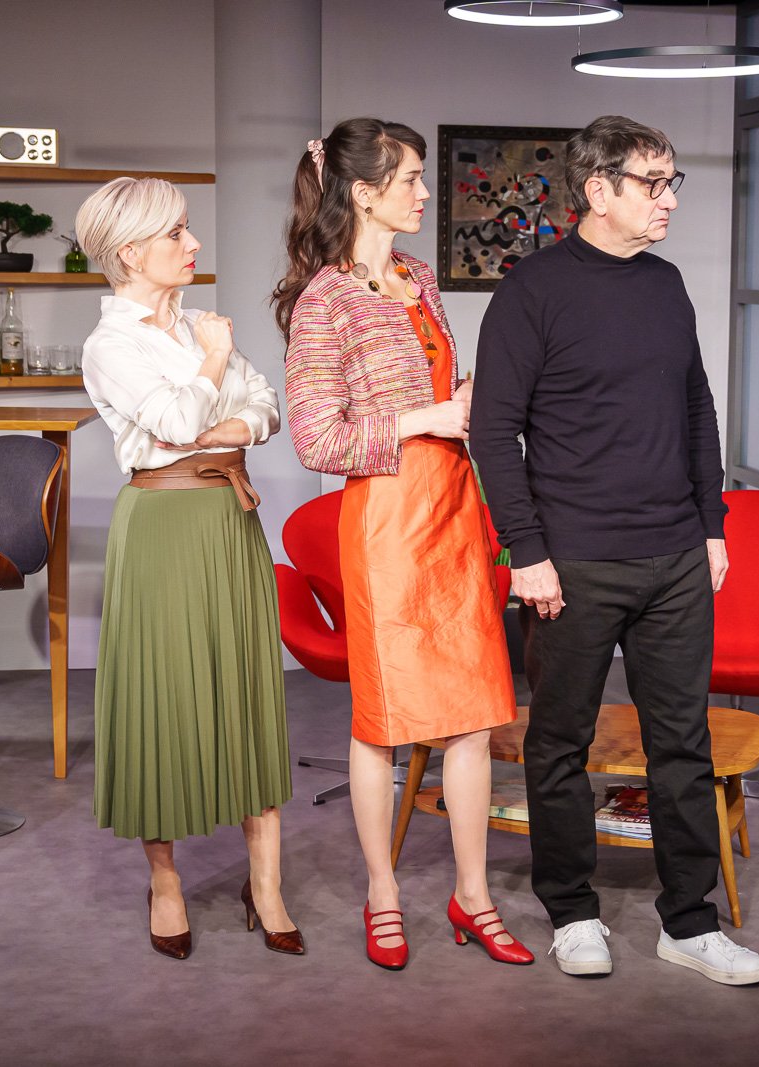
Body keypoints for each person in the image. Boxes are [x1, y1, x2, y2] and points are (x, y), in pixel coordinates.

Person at [470, 115, 759, 987]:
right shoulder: (532, 291)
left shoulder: (666, 285)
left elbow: (695, 409)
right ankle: (572, 911)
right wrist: (527, 551)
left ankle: (690, 923)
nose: (669, 198)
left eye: (674, 182)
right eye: (653, 182)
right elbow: (494, 430)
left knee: (682, 744)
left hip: (674, 555)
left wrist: (711, 523)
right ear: (598, 191)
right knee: (559, 740)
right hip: (573, 561)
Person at [277, 118, 534, 971]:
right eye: (412, 179)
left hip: (457, 507)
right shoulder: (324, 300)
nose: (426, 192)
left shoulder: (420, 278)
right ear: (363, 193)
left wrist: (468, 402)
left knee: (473, 713)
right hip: (387, 519)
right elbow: (316, 439)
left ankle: (474, 894)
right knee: (382, 720)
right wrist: (429, 415)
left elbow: (441, 394)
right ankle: (382, 892)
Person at [77, 176, 301, 961]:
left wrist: (216, 415)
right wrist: (213, 366)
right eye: (175, 232)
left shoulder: (198, 325)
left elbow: (265, 408)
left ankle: (265, 883)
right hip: (163, 526)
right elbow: (174, 421)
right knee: (164, 696)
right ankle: (165, 883)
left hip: (230, 521)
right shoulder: (111, 345)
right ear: (130, 251)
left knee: (246, 690)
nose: (193, 243)